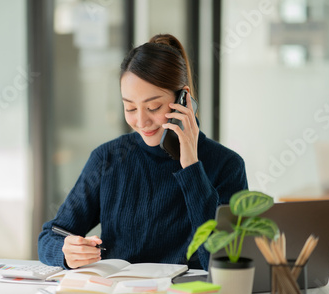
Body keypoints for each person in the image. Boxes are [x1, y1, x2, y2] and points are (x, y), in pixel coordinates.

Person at [38, 34, 248, 272]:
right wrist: (66, 251)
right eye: (129, 107)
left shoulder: (227, 165)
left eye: (153, 107)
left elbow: (225, 260)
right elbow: (50, 236)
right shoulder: (108, 158)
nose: (141, 121)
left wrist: (190, 166)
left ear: (184, 99)